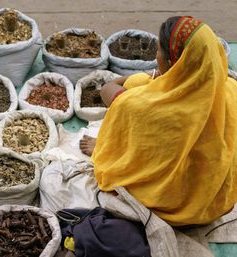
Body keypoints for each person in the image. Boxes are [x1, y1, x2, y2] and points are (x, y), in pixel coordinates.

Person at [80, 16, 237, 226]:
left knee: (123, 131)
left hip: (168, 206)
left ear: (173, 63)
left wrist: (150, 77)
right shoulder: (232, 91)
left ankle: (104, 148)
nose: (157, 55)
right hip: (213, 204)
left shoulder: (143, 107)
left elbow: (108, 90)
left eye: (160, 51)